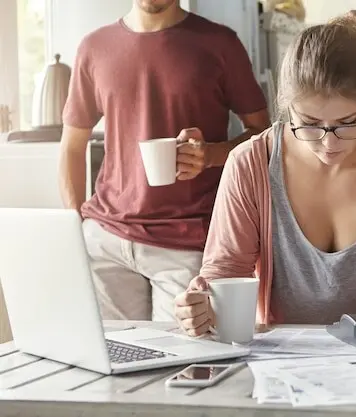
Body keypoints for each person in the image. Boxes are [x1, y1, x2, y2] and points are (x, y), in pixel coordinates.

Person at [174, 10, 356, 335]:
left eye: (348, 123)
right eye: (310, 123)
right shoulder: (250, 164)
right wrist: (202, 305)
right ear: (287, 106)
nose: (329, 143)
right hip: (284, 362)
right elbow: (225, 276)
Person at [59, 0, 270, 321]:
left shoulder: (220, 44)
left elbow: (263, 135)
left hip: (188, 243)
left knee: (182, 351)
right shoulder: (94, 47)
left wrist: (210, 155)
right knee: (113, 351)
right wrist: (74, 225)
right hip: (106, 242)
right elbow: (72, 147)